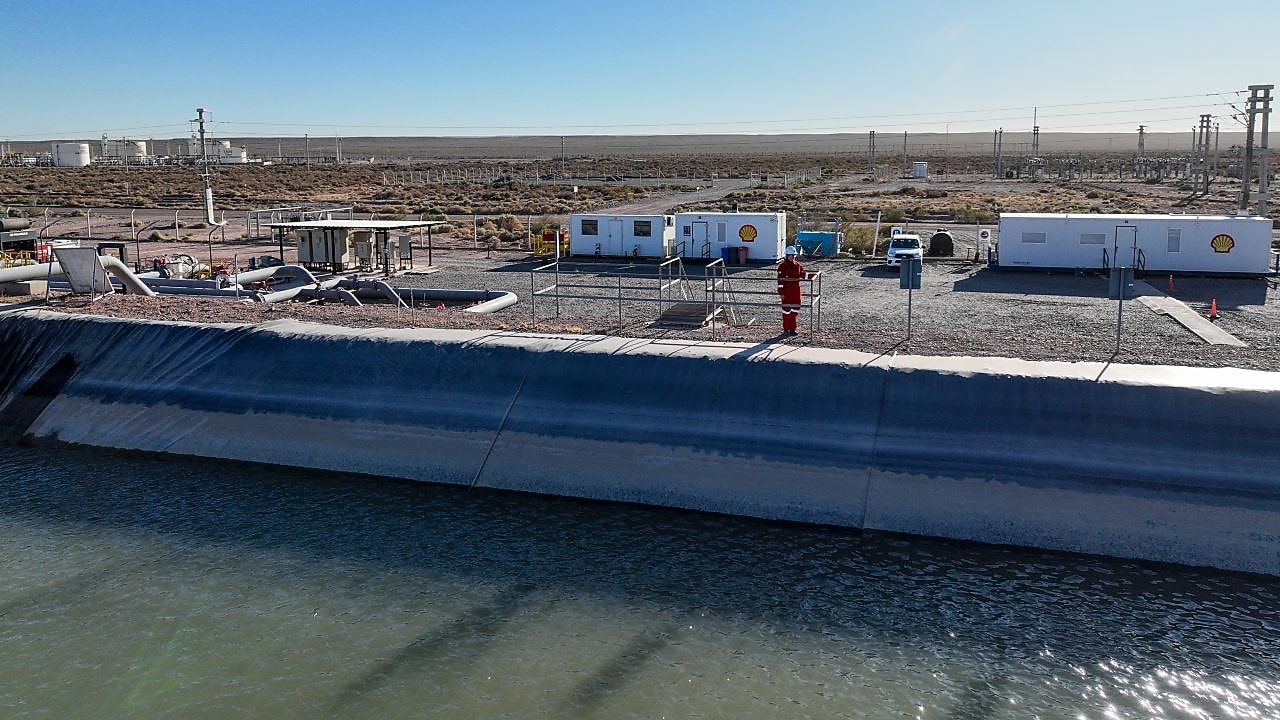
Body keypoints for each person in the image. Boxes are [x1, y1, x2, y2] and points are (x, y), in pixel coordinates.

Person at [776, 245, 809, 335]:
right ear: (786, 255)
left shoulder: (797, 265)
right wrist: (781, 293)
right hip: (787, 291)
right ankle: (786, 329)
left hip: (796, 291)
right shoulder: (782, 266)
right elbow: (780, 281)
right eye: (790, 255)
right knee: (786, 310)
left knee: (795, 309)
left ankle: (793, 329)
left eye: (793, 255)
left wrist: (814, 275)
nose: (791, 256)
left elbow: (803, 274)